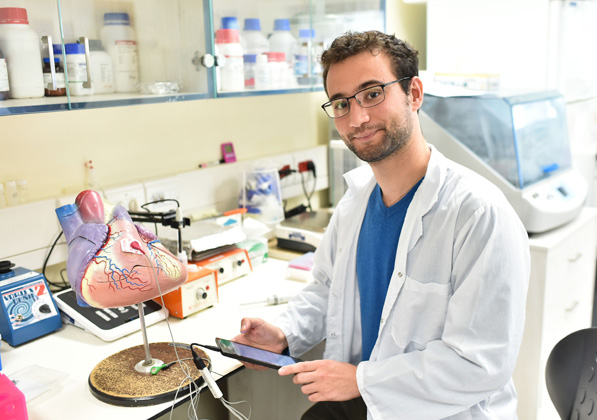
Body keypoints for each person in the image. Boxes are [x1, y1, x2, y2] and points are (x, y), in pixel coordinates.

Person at [233, 30, 530, 420]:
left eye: (372, 94)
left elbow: (480, 364)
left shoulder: (478, 214)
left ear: (414, 94)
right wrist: (284, 332)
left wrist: (362, 381)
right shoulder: (355, 203)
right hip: (368, 402)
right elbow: (327, 291)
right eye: (341, 103)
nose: (357, 118)